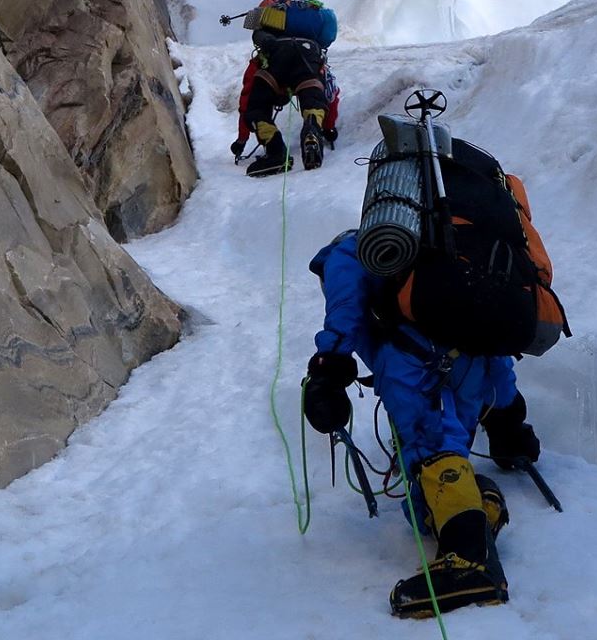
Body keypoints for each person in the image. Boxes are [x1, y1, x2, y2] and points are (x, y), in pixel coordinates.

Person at [301, 125, 566, 617]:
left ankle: (469, 565)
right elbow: (493, 356)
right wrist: (508, 425)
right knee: (433, 480)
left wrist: (329, 370)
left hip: (411, 360)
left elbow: (345, 313)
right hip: (478, 366)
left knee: (430, 448)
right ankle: (478, 507)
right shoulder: (459, 253)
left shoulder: (350, 251)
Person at [232, 38, 339, 177]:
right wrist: (328, 128)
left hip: (275, 61)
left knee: (257, 108)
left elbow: (247, 100)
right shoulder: (314, 41)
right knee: (313, 98)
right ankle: (313, 128)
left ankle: (276, 152)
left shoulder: (266, 48)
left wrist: (242, 139)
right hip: (308, 55)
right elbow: (330, 95)